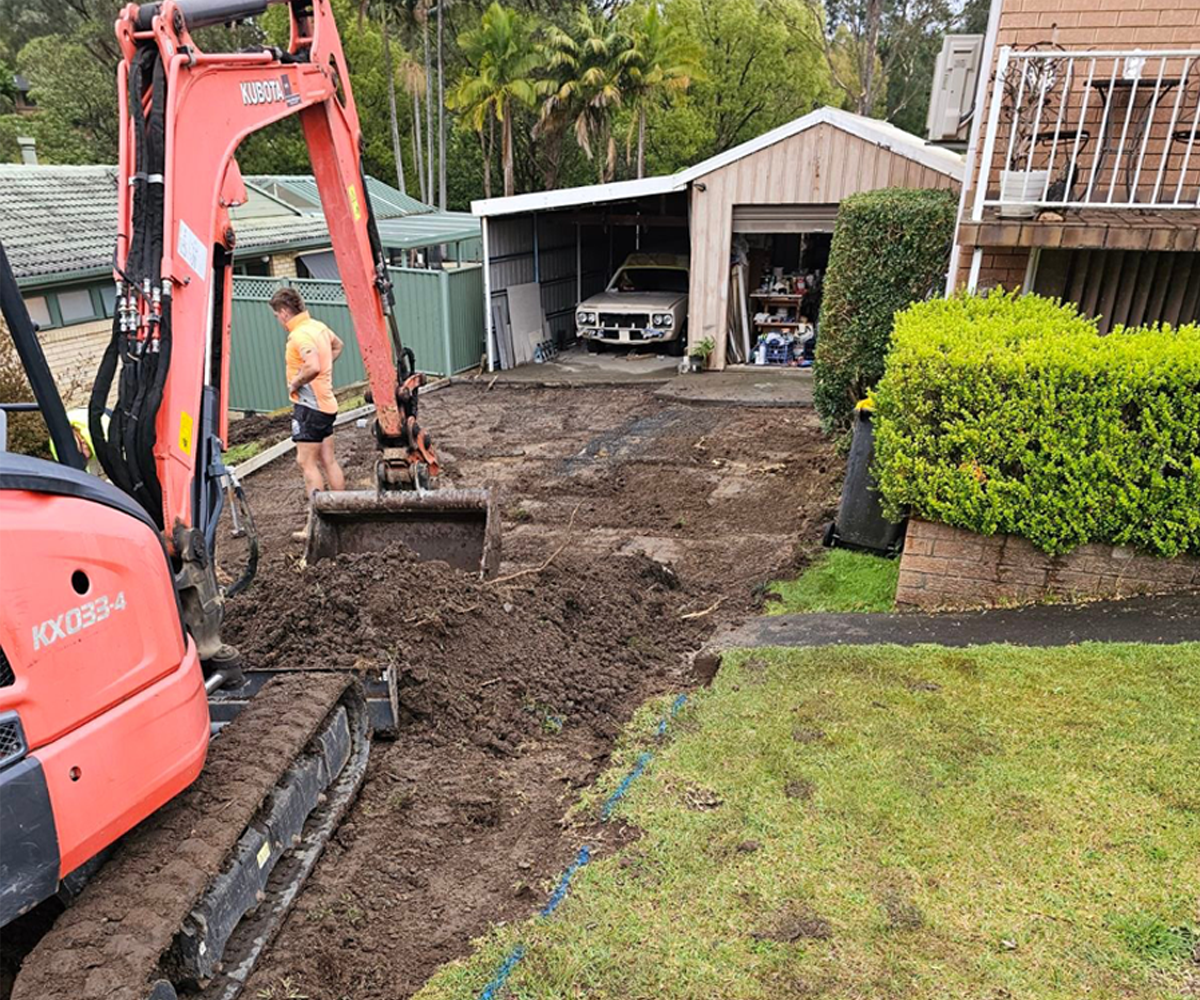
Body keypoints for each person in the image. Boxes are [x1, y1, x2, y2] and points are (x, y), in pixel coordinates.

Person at [270, 287, 346, 537]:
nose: (278, 321)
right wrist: (323, 370)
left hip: (310, 407)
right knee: (328, 460)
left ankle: (316, 525)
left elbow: (312, 366)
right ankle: (344, 513)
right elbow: (338, 345)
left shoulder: (299, 336)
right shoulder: (318, 327)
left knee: (307, 463)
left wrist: (296, 383)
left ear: (283, 312)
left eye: (277, 316)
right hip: (327, 404)